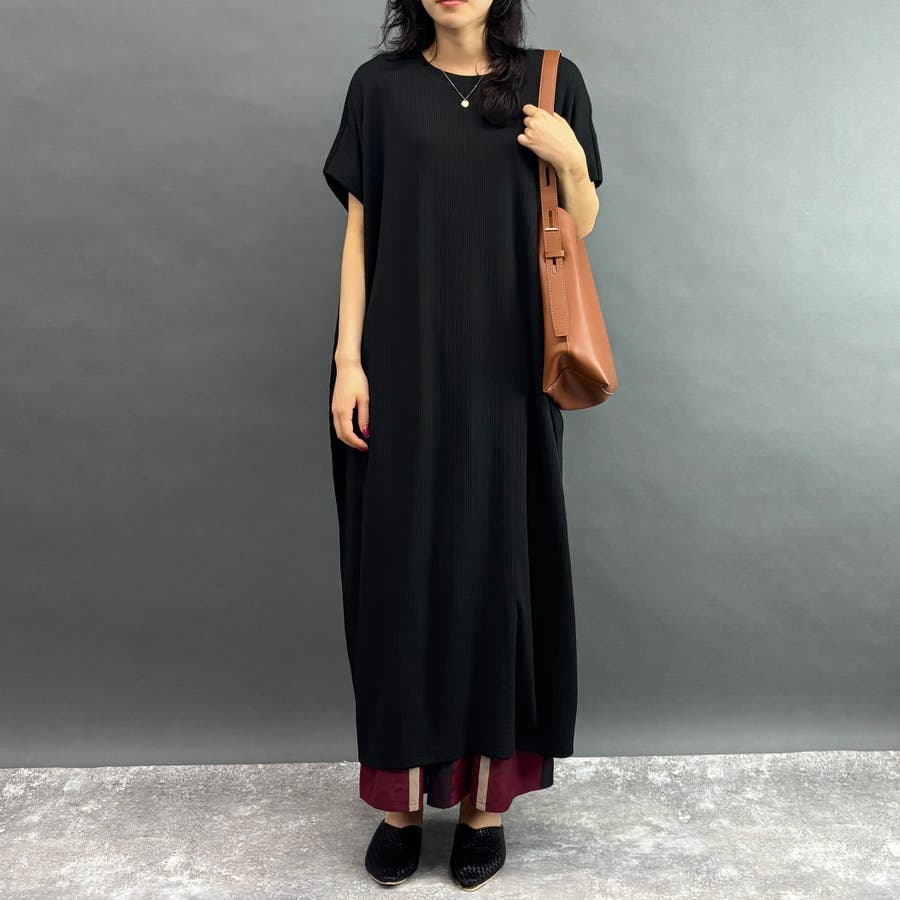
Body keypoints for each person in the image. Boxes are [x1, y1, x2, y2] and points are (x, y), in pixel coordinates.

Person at [322, 0, 603, 889]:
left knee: (499, 572)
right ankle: (400, 808)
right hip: (399, 368)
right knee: (398, 578)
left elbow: (579, 226)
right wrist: (348, 361)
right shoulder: (379, 89)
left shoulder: (550, 82)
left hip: (508, 374)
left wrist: (569, 160)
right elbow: (359, 233)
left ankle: (486, 806)